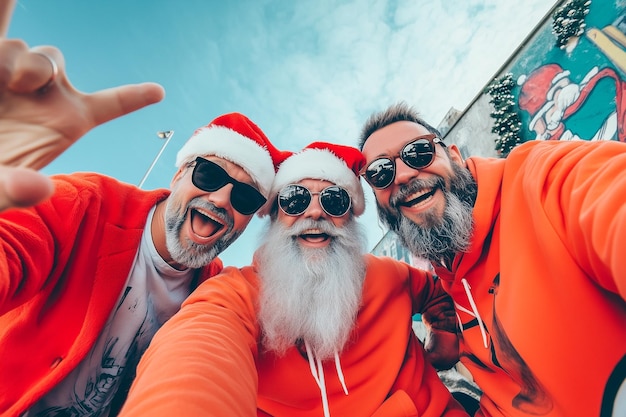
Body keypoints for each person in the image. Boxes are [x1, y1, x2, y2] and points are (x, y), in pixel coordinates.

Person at [0, 2, 288, 415]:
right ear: (177, 177)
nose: (223, 199)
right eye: (209, 176)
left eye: (245, 198)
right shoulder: (85, 205)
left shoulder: (214, 290)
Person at [118, 142, 469, 417]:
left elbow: (441, 296)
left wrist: (444, 334)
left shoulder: (389, 275)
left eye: (334, 200)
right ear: (273, 216)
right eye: (295, 200)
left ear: (349, 217)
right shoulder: (235, 293)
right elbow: (194, 356)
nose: (315, 212)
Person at [357, 101, 626, 417]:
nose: (402, 175)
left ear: (454, 156)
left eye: (418, 153)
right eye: (380, 173)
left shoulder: (538, 181)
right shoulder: (451, 294)